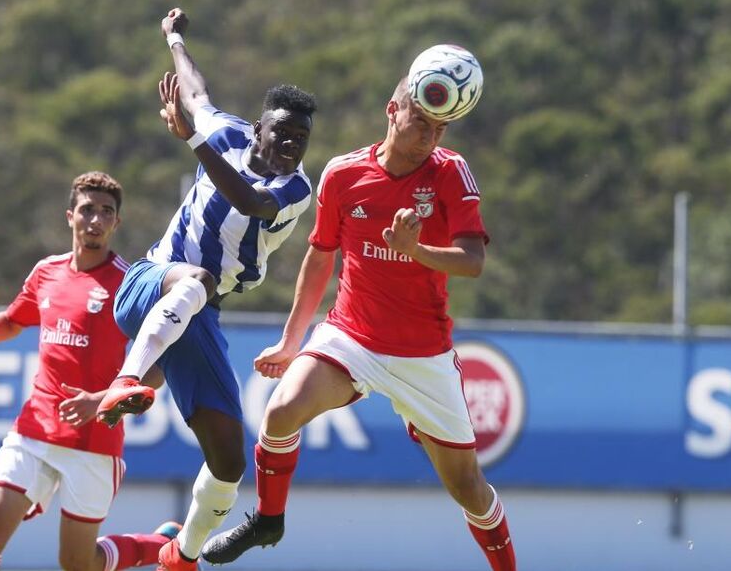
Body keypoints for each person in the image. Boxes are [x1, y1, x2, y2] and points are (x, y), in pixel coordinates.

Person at [201, 77, 518, 571]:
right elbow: (320, 257)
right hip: (351, 338)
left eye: (439, 128)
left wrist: (414, 249)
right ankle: (267, 520)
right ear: (393, 110)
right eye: (421, 122)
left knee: (469, 489)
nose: (429, 136)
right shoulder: (343, 173)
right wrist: (291, 342)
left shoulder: (450, 171)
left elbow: (473, 262)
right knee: (280, 412)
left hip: (423, 356)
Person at [94, 7, 316, 571]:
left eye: (301, 138)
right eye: (282, 133)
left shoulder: (295, 188)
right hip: (149, 282)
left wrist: (192, 139)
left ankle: (182, 554)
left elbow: (251, 201)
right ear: (258, 129)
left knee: (229, 463)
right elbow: (195, 92)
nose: (290, 145)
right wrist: (174, 39)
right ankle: (127, 379)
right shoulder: (226, 133)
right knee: (197, 278)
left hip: (200, 314)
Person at [0, 172, 178, 571]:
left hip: (94, 441)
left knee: (77, 562)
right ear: (70, 216)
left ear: (116, 222)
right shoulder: (47, 271)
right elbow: (14, 320)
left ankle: (162, 546)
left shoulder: (130, 284)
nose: (96, 219)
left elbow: (161, 364)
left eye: (106, 212)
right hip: (33, 431)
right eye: (87, 210)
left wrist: (101, 400)